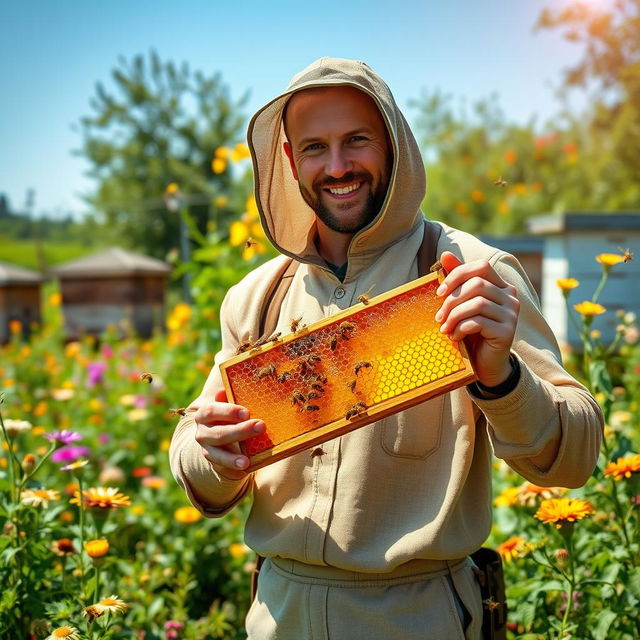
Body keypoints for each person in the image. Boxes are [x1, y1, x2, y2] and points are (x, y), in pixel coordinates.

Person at [170, 57, 603, 640]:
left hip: (418, 615)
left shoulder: (471, 274)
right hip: (279, 613)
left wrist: (502, 378)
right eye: (316, 147)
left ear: (394, 145)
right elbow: (198, 457)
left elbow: (573, 459)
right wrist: (212, 452)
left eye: (357, 141)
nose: (339, 166)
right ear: (291, 161)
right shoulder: (258, 298)